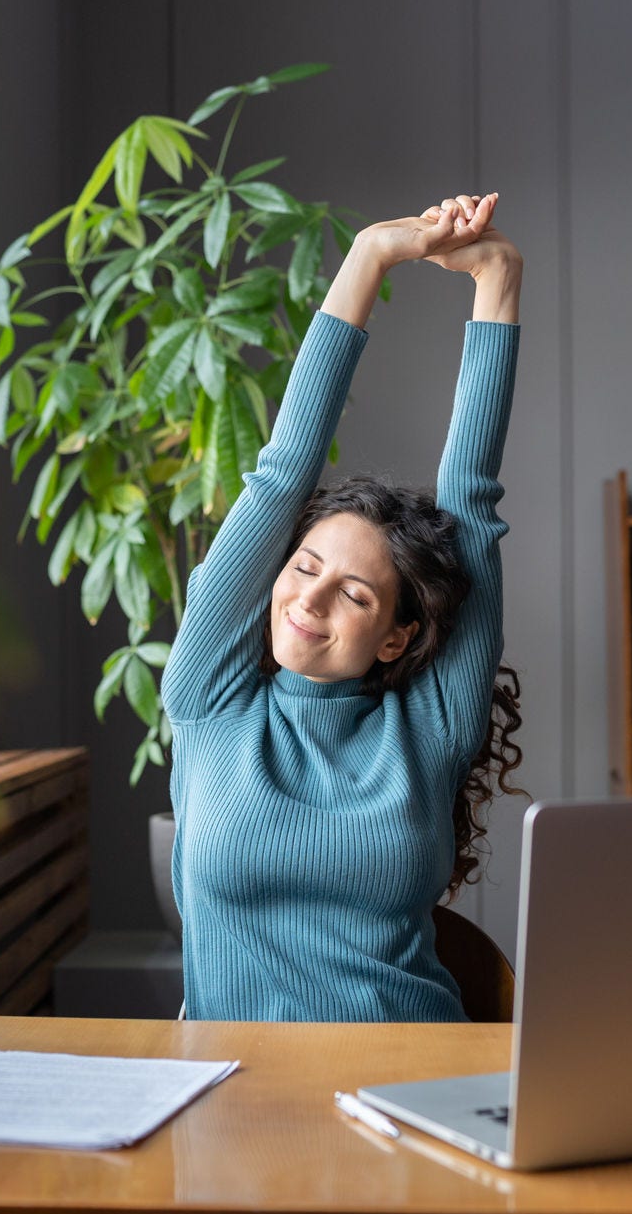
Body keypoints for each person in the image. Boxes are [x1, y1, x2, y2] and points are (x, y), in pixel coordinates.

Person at [163, 191, 527, 1022]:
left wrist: (498, 278)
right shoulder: (210, 696)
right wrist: (370, 254)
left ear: (398, 635)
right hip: (232, 1095)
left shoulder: (428, 730)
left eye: (355, 593)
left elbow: (469, 505)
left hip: (410, 1078)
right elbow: (282, 471)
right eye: (304, 565)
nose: (308, 597)